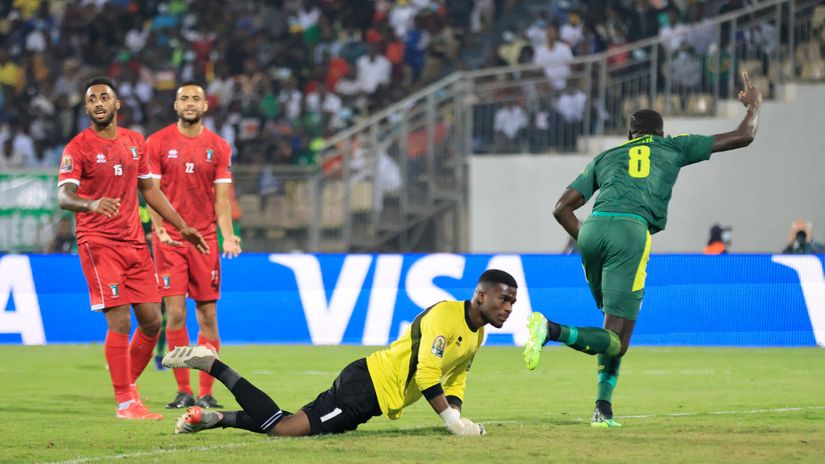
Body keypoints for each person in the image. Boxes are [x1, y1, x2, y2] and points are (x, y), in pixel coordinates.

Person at [522, 71, 762, 427]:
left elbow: (561, 209)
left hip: (591, 231)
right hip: (631, 233)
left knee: (611, 328)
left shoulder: (607, 156)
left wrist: (588, 237)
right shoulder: (673, 147)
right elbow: (743, 136)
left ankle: (602, 409)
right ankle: (550, 330)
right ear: (661, 134)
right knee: (617, 340)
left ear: (629, 135)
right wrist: (754, 106)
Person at [162, 269, 518, 437]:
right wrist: (453, 424)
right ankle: (212, 364)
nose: (508, 308)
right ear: (480, 295)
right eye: (503, 299)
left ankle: (216, 419)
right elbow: (427, 374)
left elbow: (455, 380)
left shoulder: (477, 335)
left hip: (373, 397)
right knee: (284, 430)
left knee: (294, 423)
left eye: (512, 302)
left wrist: (458, 416)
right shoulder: (445, 315)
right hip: (367, 385)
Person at [57, 77, 209, 420]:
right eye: (91, 99)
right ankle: (125, 401)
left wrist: (182, 226)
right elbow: (64, 195)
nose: (98, 103)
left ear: (117, 104)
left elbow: (150, 190)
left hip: (135, 244)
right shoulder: (77, 148)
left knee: (153, 322)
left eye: (104, 97)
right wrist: (91, 204)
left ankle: (127, 387)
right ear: (86, 108)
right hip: (99, 242)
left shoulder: (134, 142)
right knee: (120, 320)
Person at [146, 81, 242, 410]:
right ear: (176, 105)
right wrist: (159, 229)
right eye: (184, 98)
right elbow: (151, 192)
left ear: (205, 106)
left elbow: (221, 200)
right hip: (171, 241)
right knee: (175, 313)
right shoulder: (157, 142)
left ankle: (206, 391)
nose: (189, 103)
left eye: (195, 98)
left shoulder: (218, 146)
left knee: (208, 316)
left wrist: (228, 235)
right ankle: (183, 390)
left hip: (204, 241)